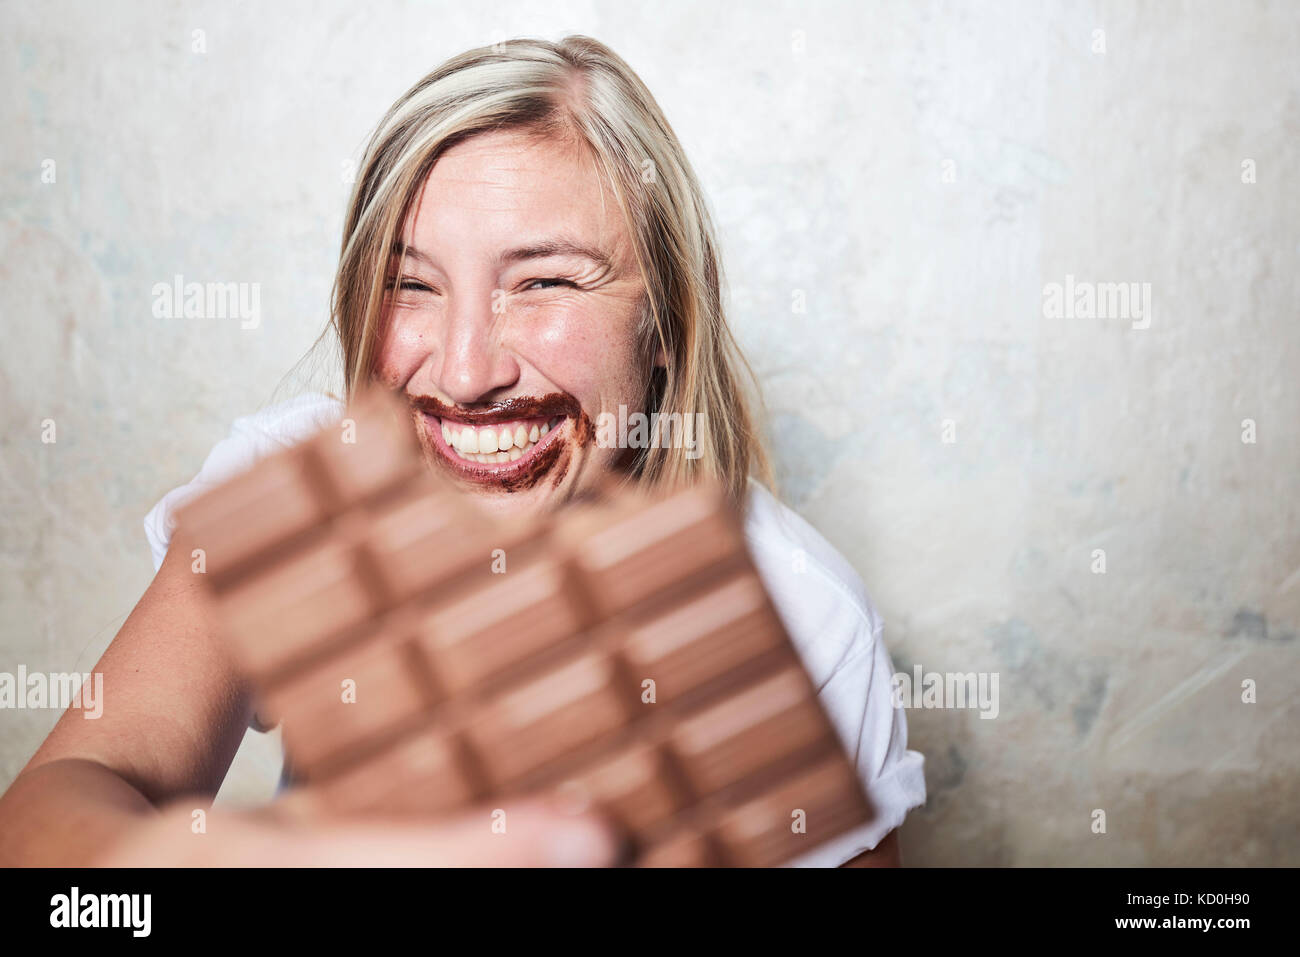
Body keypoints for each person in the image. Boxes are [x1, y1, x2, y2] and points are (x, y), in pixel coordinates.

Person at [0, 35, 924, 867]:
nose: (466, 368)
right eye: (412, 284)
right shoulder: (299, 501)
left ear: (665, 324)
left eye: (544, 282)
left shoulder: (804, 618)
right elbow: (67, 796)